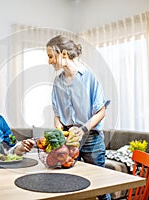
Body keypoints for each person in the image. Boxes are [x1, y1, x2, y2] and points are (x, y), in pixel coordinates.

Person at [46, 35, 111, 200]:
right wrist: (59, 135)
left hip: (91, 139)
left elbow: (101, 111)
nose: (49, 61)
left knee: (100, 187)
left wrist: (82, 130)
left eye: (51, 56)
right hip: (69, 140)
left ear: (64, 54)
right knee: (69, 185)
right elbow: (57, 116)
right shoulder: (57, 82)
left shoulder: (89, 78)